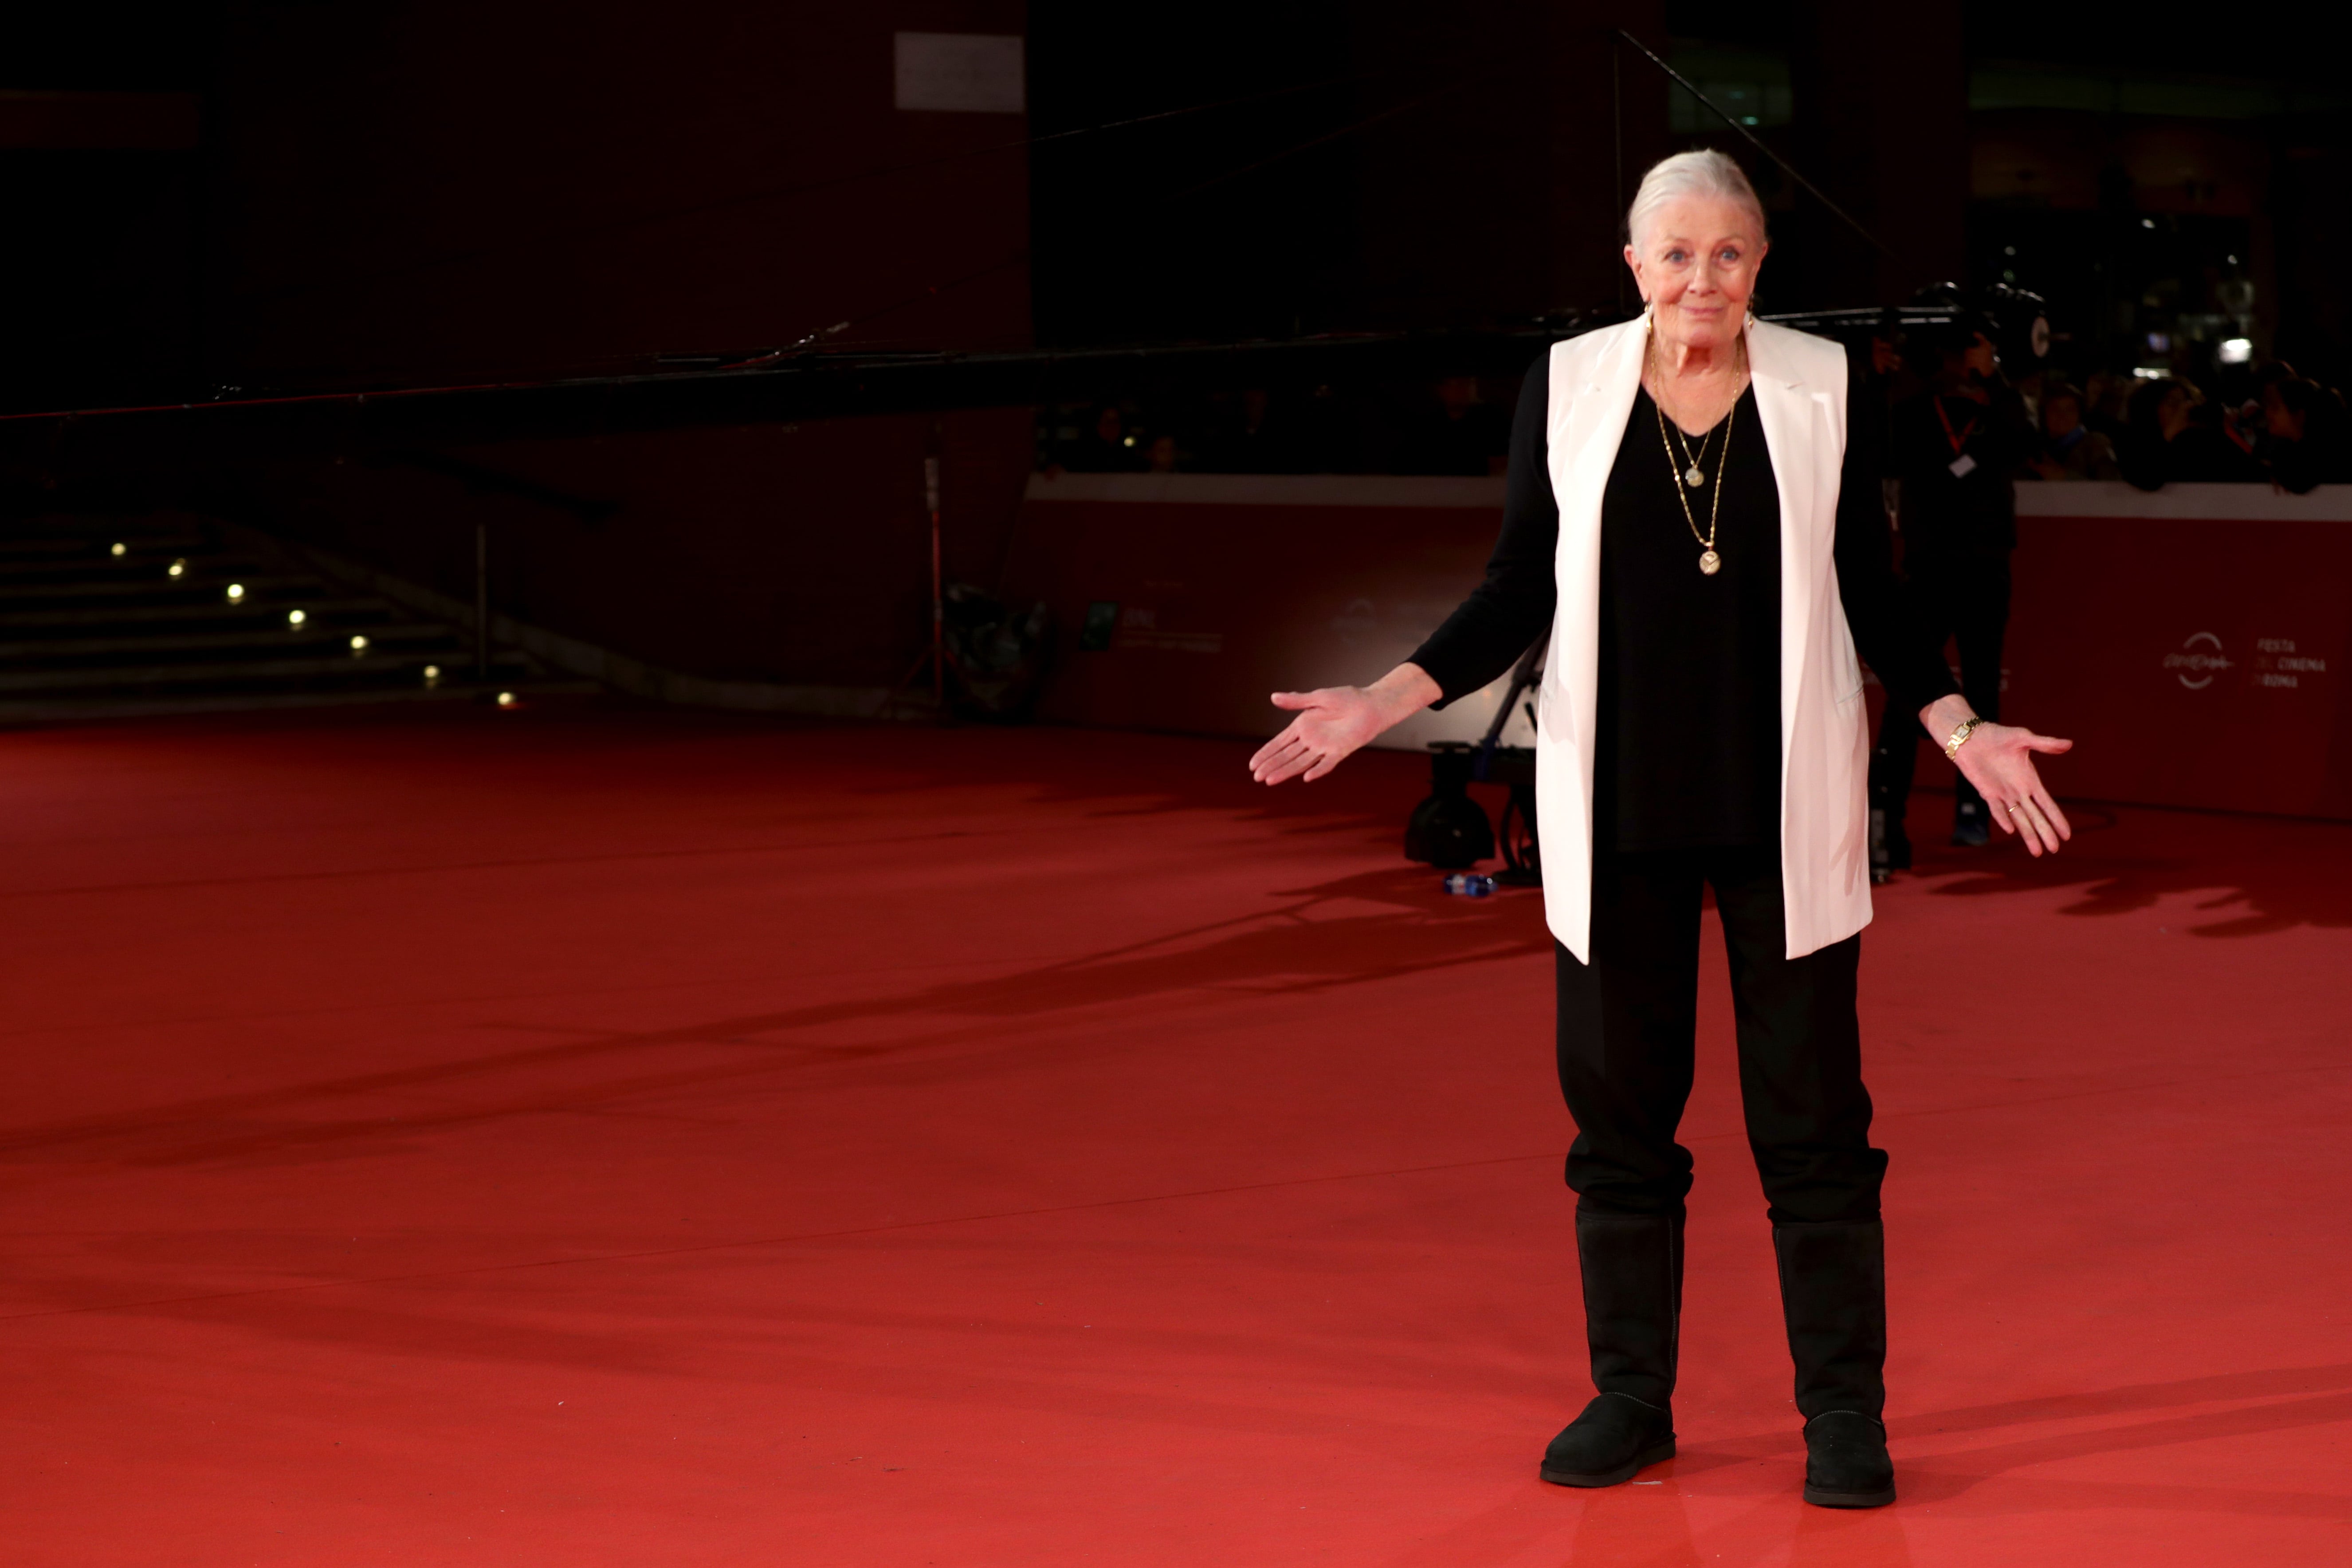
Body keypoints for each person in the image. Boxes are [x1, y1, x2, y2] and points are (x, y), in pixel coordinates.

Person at [1246, 151, 2072, 1510]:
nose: (1703, 279)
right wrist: (1383, 697)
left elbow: (1874, 586)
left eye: (1730, 255)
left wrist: (1956, 723)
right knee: (1620, 1121)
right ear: (1633, 263)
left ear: (1761, 266)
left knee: (1814, 1122)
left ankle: (1841, 1411)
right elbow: (1517, 582)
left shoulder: (1821, 388)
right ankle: (1631, 1394)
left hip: (1780, 807)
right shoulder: (1564, 386)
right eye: (1676, 253)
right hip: (1612, 808)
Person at [1869, 320, 2031, 864]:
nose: (1963, 362)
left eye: (1973, 352)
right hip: (1927, 569)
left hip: (1985, 569)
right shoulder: (1913, 412)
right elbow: (1883, 453)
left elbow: (2024, 445)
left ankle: (1975, 809)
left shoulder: (1996, 410)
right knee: (1910, 691)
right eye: (1957, 352)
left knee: (1981, 690)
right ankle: (1885, 815)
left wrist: (1998, 380)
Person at [2028, 382, 2119, 480]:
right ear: (2044, 414)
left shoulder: (2095, 443)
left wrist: (2064, 478)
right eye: (2055, 409)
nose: (2062, 416)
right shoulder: (2035, 446)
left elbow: (2111, 483)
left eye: (2070, 410)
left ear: (2079, 415)